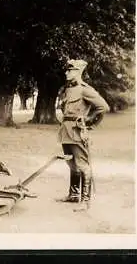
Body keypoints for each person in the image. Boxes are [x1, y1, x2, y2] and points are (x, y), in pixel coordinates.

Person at [57, 59, 110, 212]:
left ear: (78, 72)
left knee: (82, 165)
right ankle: (74, 195)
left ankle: (85, 201)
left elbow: (103, 107)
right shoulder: (68, 89)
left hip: (77, 131)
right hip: (66, 131)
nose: (66, 73)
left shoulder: (85, 89)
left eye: (70, 70)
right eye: (67, 70)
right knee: (71, 164)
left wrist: (87, 121)